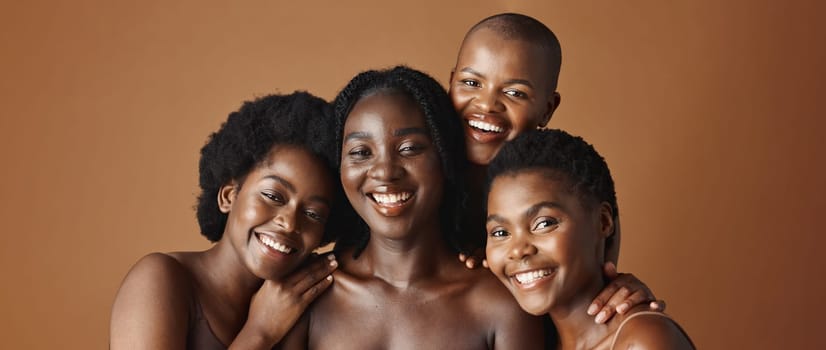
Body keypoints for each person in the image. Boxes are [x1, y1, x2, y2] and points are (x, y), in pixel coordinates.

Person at [281, 66, 546, 349]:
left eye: (409, 148)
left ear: (445, 157)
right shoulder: (305, 295)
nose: (384, 172)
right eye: (360, 153)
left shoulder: (499, 304)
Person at [449, 13, 656, 323]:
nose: (487, 104)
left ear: (547, 109)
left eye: (515, 93)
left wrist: (622, 290)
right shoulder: (425, 177)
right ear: (450, 82)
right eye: (470, 83)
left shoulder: (569, 189)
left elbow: (595, 301)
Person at [110, 92, 341, 349]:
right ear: (229, 196)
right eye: (273, 196)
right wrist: (261, 331)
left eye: (313, 214)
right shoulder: (160, 279)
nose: (289, 223)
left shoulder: (301, 305)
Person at [484, 129, 695, 349]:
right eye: (500, 233)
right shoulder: (532, 338)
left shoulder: (642, 341)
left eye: (544, 224)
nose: (518, 250)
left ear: (603, 222)